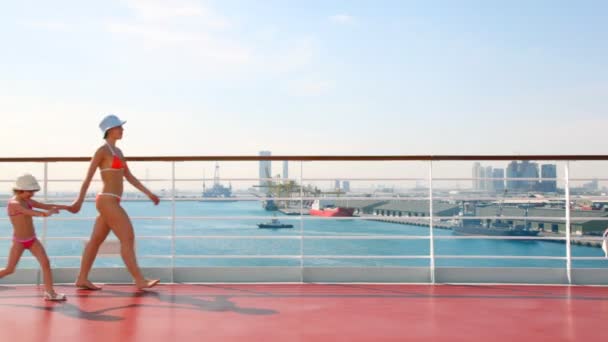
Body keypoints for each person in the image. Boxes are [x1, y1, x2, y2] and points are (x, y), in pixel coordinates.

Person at [70, 114, 160, 290]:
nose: (122, 130)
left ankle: (81, 278)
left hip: (112, 201)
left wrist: (149, 194)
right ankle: (139, 280)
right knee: (128, 237)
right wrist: (78, 201)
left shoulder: (118, 152)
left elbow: (129, 177)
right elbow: (88, 178)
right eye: (119, 127)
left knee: (95, 241)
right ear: (110, 130)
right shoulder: (102, 151)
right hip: (107, 201)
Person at [1, 174, 69, 301]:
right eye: (30, 191)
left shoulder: (27, 201)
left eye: (33, 191)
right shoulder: (14, 203)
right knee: (10, 269)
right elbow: (31, 212)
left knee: (46, 263)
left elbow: (44, 205)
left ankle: (50, 293)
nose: (32, 194)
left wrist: (66, 207)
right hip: (19, 242)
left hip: (32, 240)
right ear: (20, 189)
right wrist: (47, 213)